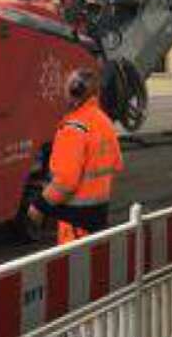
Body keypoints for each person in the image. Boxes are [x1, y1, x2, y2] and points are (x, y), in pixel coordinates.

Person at [28, 68, 123, 245]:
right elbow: (116, 164)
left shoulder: (73, 129)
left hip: (75, 222)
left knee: (74, 269)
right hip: (99, 214)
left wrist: (39, 206)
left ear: (74, 92)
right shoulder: (104, 121)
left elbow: (65, 182)